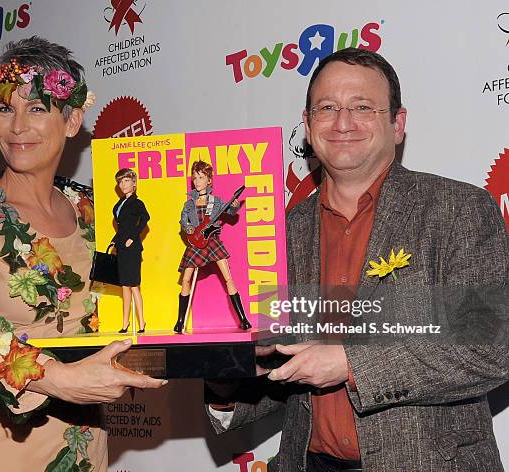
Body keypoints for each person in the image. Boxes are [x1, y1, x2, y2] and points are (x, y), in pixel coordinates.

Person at [207, 48, 509, 471]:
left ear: (397, 123)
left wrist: (351, 363)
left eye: (363, 107)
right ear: (308, 125)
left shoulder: (457, 210)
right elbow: (280, 366)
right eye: (327, 108)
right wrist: (223, 376)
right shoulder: (277, 233)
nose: (343, 122)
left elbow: (492, 348)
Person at [0, 37, 166, 472]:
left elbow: (138, 299)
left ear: (72, 120)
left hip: (80, 436)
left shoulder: (93, 213)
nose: (16, 127)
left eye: (36, 108)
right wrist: (57, 378)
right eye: (4, 108)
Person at [174, 160, 252, 333]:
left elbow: (229, 212)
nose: (197, 181)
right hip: (196, 241)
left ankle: (243, 319)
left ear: (209, 180)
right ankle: (180, 320)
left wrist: (234, 207)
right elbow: (183, 220)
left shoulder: (215, 202)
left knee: (228, 278)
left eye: (201, 177)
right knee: (186, 279)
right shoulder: (189, 204)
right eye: (195, 178)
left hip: (212, 241)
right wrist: (188, 228)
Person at [111, 168, 149, 333]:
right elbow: (121, 227)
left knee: (134, 285)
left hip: (132, 248)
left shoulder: (137, 203)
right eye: (120, 181)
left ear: (134, 183)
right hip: (121, 247)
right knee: (124, 286)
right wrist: (114, 241)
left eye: (126, 181)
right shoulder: (119, 204)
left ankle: (142, 322)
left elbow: (145, 219)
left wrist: (133, 237)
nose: (123, 184)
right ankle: (125, 323)